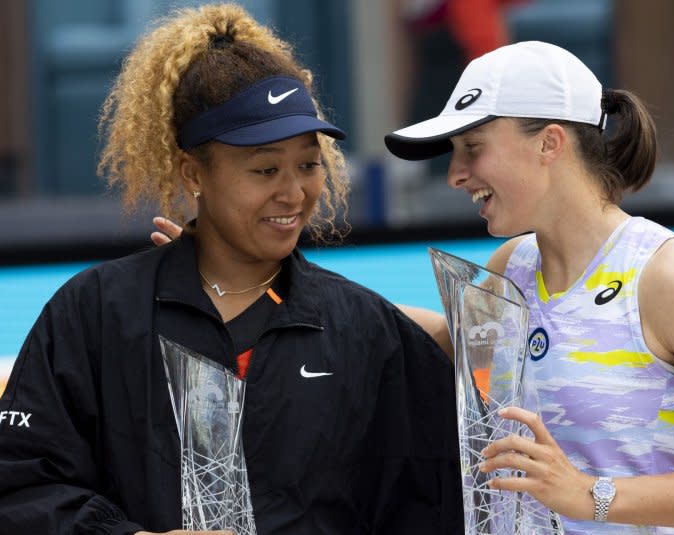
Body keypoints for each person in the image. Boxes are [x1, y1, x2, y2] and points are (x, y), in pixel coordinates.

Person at [0, 4, 463, 534]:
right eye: (265, 168)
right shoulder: (95, 312)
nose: (293, 193)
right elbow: (21, 488)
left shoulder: (368, 330)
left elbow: (431, 506)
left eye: (309, 165)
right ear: (193, 172)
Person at [382, 41, 674, 533]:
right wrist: (322, 299)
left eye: (473, 148)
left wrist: (591, 495)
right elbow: (449, 346)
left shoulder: (666, 276)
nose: (454, 175)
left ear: (549, 142)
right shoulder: (512, 265)